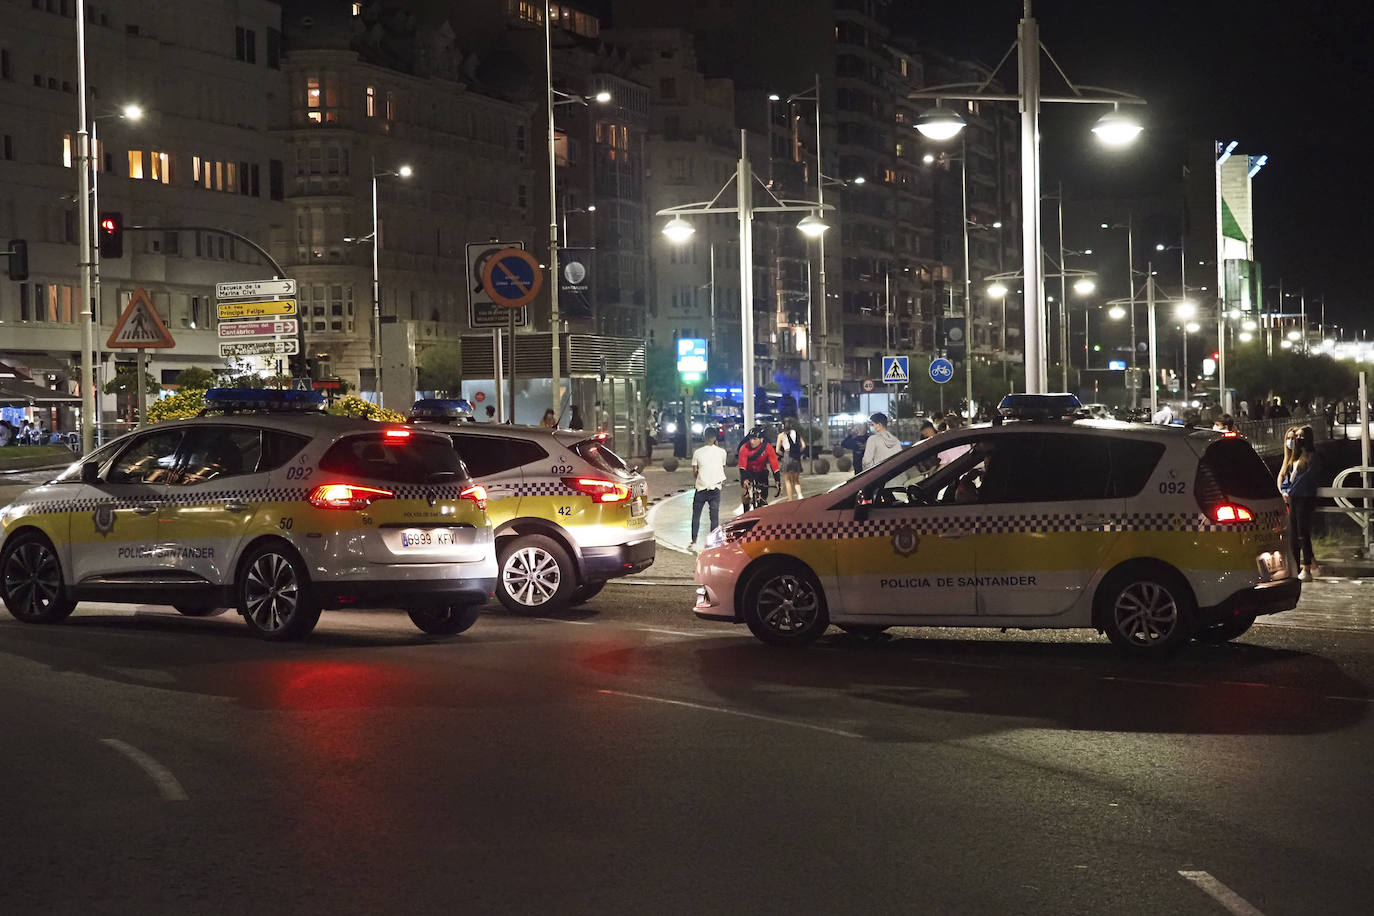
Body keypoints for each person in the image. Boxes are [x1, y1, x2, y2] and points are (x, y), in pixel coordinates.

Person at [1280, 427, 1320, 580]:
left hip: (1304, 498)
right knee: (1293, 535)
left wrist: (1290, 492)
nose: (1297, 438)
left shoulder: (1312, 457)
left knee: (1303, 533)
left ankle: (1307, 567)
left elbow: (1306, 480)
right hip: (1293, 498)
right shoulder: (1294, 458)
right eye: (1296, 436)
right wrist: (1285, 490)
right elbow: (1287, 478)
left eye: (1300, 436)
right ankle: (1295, 567)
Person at [689, 429, 728, 548]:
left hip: (701, 487)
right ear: (715, 438)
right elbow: (721, 466)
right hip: (715, 487)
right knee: (714, 516)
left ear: (703, 437)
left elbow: (695, 472)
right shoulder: (722, 452)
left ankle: (694, 540)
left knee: (696, 515)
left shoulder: (697, 452)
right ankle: (714, 541)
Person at [737, 425, 781, 511]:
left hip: (761, 471)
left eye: (755, 439)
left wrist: (777, 481)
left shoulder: (768, 447)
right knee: (745, 493)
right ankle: (746, 511)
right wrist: (744, 480)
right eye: (750, 439)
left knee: (764, 495)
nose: (752, 442)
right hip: (748, 471)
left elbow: (774, 465)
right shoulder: (744, 448)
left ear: (761, 439)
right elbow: (742, 466)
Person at [775, 418, 806, 500]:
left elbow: (777, 450)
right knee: (796, 480)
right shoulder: (797, 433)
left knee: (787, 480)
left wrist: (783, 454)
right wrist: (798, 452)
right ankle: (800, 494)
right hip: (796, 457)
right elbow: (803, 445)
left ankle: (790, 499)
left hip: (787, 456)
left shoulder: (781, 435)